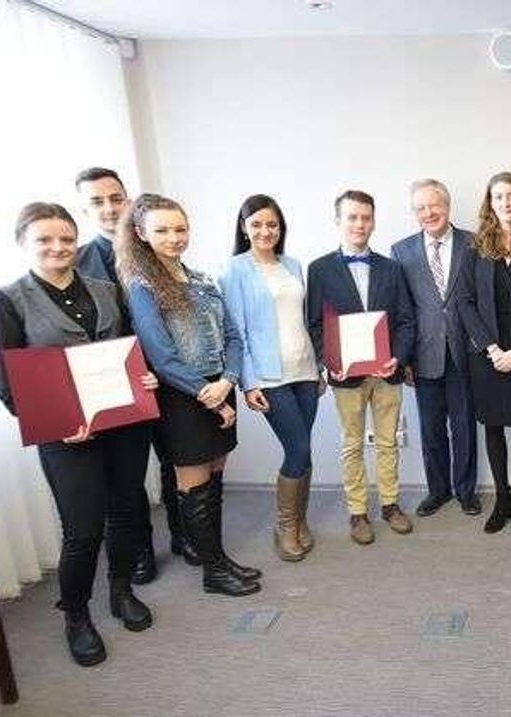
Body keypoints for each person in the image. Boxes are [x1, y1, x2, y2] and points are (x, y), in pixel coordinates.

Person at [0, 202, 158, 665]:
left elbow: (129, 349)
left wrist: (145, 378)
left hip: (123, 423)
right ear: (24, 243)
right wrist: (59, 426)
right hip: (66, 437)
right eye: (45, 239)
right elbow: (6, 384)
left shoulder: (105, 288)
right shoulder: (8, 301)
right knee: (82, 528)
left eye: (66, 238)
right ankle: (76, 616)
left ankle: (121, 591)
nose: (58, 247)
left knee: (126, 510)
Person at [117, 194, 261, 597]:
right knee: (194, 487)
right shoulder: (142, 286)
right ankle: (212, 571)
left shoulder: (200, 279)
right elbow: (160, 356)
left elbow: (232, 336)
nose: (174, 237)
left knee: (215, 481)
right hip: (184, 399)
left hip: (220, 388)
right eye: (162, 230)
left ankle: (219, 558)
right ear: (142, 234)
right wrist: (206, 392)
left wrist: (227, 382)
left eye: (180, 229)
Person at [75, 167, 193, 580]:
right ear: (85, 209)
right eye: (97, 201)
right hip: (118, 383)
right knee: (126, 476)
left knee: (173, 457)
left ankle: (184, 534)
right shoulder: (80, 261)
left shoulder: (157, 249)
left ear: (129, 201)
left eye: (116, 198)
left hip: (166, 375)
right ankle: (141, 551)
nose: (109, 208)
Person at [306, 190, 416, 546]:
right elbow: (316, 325)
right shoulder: (319, 269)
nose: (359, 224)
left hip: (387, 372)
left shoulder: (392, 267)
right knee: (352, 444)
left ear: (373, 221)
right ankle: (357, 512)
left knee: (387, 442)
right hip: (346, 377)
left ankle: (390, 504)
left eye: (366, 217)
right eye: (352, 217)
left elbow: (406, 321)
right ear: (338, 221)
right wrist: (329, 362)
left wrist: (397, 357)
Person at [221, 195, 320, 561]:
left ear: (281, 228)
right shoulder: (234, 270)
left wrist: (318, 368)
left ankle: (300, 520)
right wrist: (249, 383)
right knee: (298, 448)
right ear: (245, 228)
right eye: (257, 224)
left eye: (272, 224)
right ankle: (285, 526)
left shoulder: (293, 264)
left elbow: (303, 320)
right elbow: (237, 330)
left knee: (304, 448)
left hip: (305, 370)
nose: (266, 231)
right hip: (269, 377)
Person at [455, 172, 511, 533]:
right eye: (498, 197)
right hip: (486, 355)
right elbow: (464, 301)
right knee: (492, 425)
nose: (506, 203)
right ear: (489, 203)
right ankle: (502, 496)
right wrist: (492, 348)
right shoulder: (474, 248)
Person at [392, 180, 480, 519]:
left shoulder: (474, 242)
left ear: (448, 205)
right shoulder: (402, 251)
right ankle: (438, 490)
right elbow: (403, 310)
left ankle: (466, 491)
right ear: (415, 213)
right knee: (431, 430)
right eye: (420, 208)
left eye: (434, 205)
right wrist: (406, 359)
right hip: (423, 355)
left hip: (465, 352)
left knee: (464, 428)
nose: (429, 213)